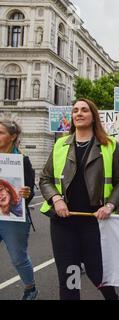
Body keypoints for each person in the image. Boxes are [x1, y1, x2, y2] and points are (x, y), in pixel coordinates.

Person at [39, 98, 119, 300]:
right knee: (69, 278)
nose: (78, 113)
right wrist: (56, 199)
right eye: (75, 110)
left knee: (98, 275)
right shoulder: (61, 144)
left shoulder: (110, 145)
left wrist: (110, 205)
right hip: (64, 223)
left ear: (93, 115)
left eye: (84, 110)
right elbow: (45, 179)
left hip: (96, 223)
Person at [0, 120, 38, 300]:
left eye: (1, 132)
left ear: (12, 136)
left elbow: (30, 191)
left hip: (13, 218)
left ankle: (30, 289)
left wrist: (26, 193)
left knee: (18, 257)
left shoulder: (23, 161)